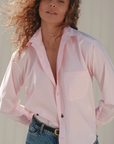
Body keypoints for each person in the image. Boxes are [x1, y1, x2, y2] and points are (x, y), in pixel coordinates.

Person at [0, 0, 114, 144]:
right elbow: (5, 102)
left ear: (69, 8)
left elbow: (112, 97)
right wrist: (34, 122)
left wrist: (87, 124)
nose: (52, 3)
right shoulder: (23, 55)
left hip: (82, 139)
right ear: (37, 4)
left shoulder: (88, 47)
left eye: (61, 1)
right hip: (39, 138)